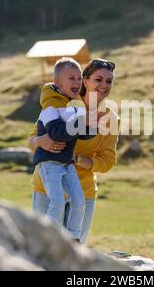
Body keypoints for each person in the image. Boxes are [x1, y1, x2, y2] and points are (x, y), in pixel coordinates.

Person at [28, 59, 118, 244]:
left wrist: (78, 159)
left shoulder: (110, 118)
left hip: (83, 192)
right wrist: (40, 141)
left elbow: (107, 161)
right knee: (42, 250)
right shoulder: (63, 103)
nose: (103, 85)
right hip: (47, 188)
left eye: (109, 81)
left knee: (75, 254)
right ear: (85, 81)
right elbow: (32, 139)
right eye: (98, 79)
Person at [33, 57, 95, 242]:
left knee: (78, 201)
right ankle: (50, 237)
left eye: (78, 78)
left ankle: (73, 239)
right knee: (58, 202)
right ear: (58, 83)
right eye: (71, 78)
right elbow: (58, 133)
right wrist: (79, 123)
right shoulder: (49, 108)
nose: (76, 82)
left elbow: (82, 135)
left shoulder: (72, 107)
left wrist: (92, 126)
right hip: (49, 164)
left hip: (66, 163)